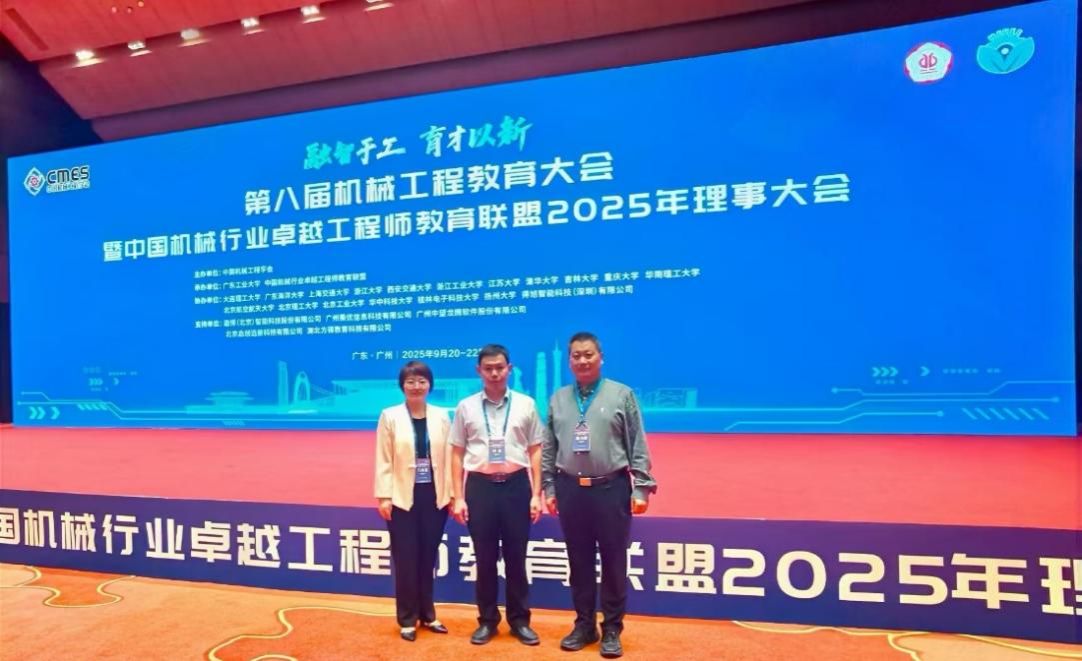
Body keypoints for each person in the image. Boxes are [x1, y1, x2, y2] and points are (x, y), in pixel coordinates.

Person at [542, 332, 657, 659]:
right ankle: (584, 625)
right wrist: (549, 486)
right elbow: (549, 447)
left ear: (601, 357)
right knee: (578, 562)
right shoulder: (558, 399)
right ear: (569, 361)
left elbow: (637, 443)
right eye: (576, 356)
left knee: (613, 561)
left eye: (588, 354)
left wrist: (642, 486)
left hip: (611, 489)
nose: (582, 360)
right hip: (570, 490)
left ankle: (612, 629)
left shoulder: (621, 395)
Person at [449, 344, 544, 646]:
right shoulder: (466, 407)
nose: (494, 373)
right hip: (480, 488)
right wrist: (458, 497)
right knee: (485, 558)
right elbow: (456, 452)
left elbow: (536, 450)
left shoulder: (526, 404)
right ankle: (487, 620)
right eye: (488, 368)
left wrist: (536, 494)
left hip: (517, 487)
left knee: (517, 557)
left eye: (499, 367)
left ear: (509, 369)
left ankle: (519, 621)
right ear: (478, 371)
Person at [374, 360, 453, 642]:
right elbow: (384, 459)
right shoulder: (390, 416)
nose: (416, 386)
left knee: (427, 557)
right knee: (406, 559)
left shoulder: (442, 416)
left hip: (434, 497)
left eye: (421, 381)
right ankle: (407, 618)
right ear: (402, 386)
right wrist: (384, 496)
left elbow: (449, 459)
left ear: (430, 385)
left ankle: (428, 614)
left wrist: (451, 495)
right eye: (410, 381)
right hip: (401, 498)